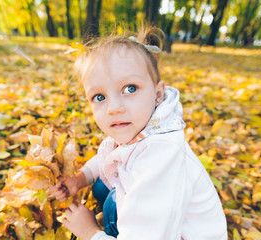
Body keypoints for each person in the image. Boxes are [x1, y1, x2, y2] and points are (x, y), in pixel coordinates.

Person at [50, 27, 227, 240]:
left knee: (108, 203)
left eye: (130, 88)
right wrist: (78, 180)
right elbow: (108, 157)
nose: (113, 108)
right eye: (99, 97)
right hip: (156, 215)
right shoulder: (141, 127)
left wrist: (90, 233)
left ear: (158, 94)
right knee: (100, 185)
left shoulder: (159, 160)